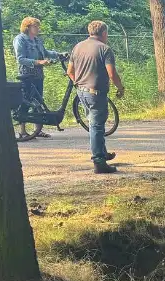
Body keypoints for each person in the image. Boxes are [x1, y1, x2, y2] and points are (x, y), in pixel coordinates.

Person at [66, 20, 122, 173]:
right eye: (107, 33)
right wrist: (120, 87)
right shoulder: (105, 49)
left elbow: (70, 71)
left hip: (81, 92)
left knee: (93, 123)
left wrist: (77, 83)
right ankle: (99, 161)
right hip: (96, 93)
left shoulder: (78, 46)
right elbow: (112, 73)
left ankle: (102, 152)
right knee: (96, 126)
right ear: (104, 33)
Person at [13, 16, 60, 140]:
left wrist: (59, 55)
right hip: (27, 74)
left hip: (39, 74)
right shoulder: (20, 39)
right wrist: (38, 62)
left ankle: (38, 130)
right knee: (27, 101)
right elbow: (20, 59)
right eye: (36, 26)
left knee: (38, 101)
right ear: (28, 27)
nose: (38, 28)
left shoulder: (37, 40)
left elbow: (45, 52)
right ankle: (22, 131)